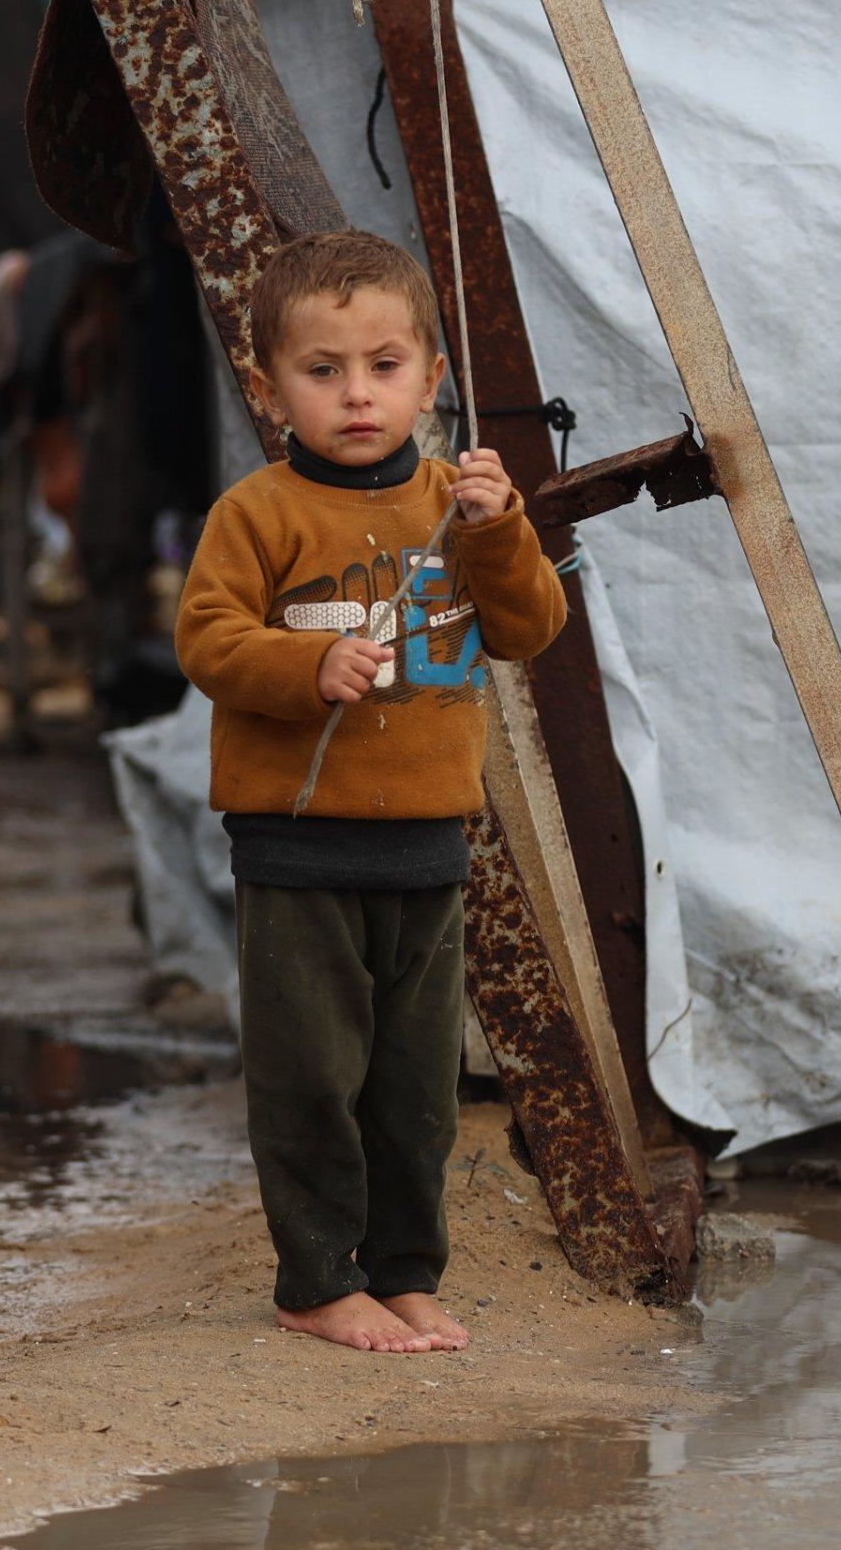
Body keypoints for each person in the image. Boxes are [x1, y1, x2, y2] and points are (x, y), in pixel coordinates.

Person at [175, 230, 569, 1354]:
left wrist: (503, 533)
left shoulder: (462, 502)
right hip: (297, 852)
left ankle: (405, 1272)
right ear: (269, 385)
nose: (357, 394)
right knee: (311, 1077)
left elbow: (530, 625)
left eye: (384, 366)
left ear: (433, 377)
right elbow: (207, 639)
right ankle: (315, 1277)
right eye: (323, 370)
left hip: (428, 846)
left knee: (416, 1090)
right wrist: (306, 667)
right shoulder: (257, 514)